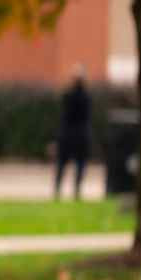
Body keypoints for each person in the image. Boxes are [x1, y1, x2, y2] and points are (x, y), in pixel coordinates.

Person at [55, 65, 92, 200]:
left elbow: (64, 117)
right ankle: (75, 191)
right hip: (80, 135)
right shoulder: (86, 97)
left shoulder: (68, 96)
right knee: (79, 164)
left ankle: (58, 190)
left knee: (62, 164)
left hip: (68, 134)